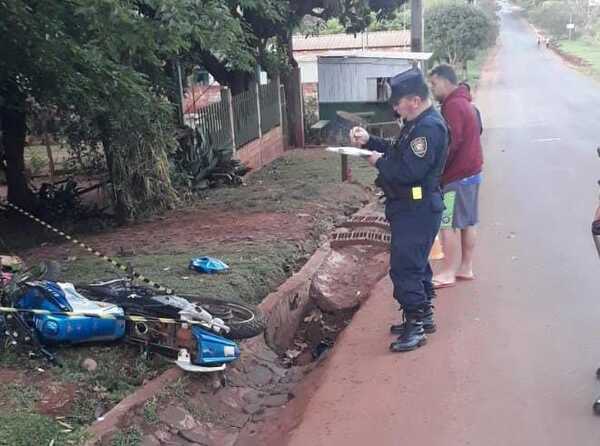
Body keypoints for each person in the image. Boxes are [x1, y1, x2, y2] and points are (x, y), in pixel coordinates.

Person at [350, 67, 448, 352]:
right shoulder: (417, 123)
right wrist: (369, 141)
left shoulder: (428, 128)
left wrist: (376, 161)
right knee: (417, 264)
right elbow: (398, 149)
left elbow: (408, 171)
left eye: (398, 103)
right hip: (411, 207)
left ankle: (416, 324)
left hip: (416, 207)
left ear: (415, 100)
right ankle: (423, 316)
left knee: (405, 267)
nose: (395, 108)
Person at [428, 64, 483, 288]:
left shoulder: (452, 107)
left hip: (456, 177)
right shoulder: (466, 102)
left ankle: (448, 272)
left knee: (446, 223)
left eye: (433, 84)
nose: (432, 89)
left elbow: (450, 145)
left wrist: (435, 171)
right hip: (471, 174)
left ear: (444, 81)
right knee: (468, 221)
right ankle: (465, 267)